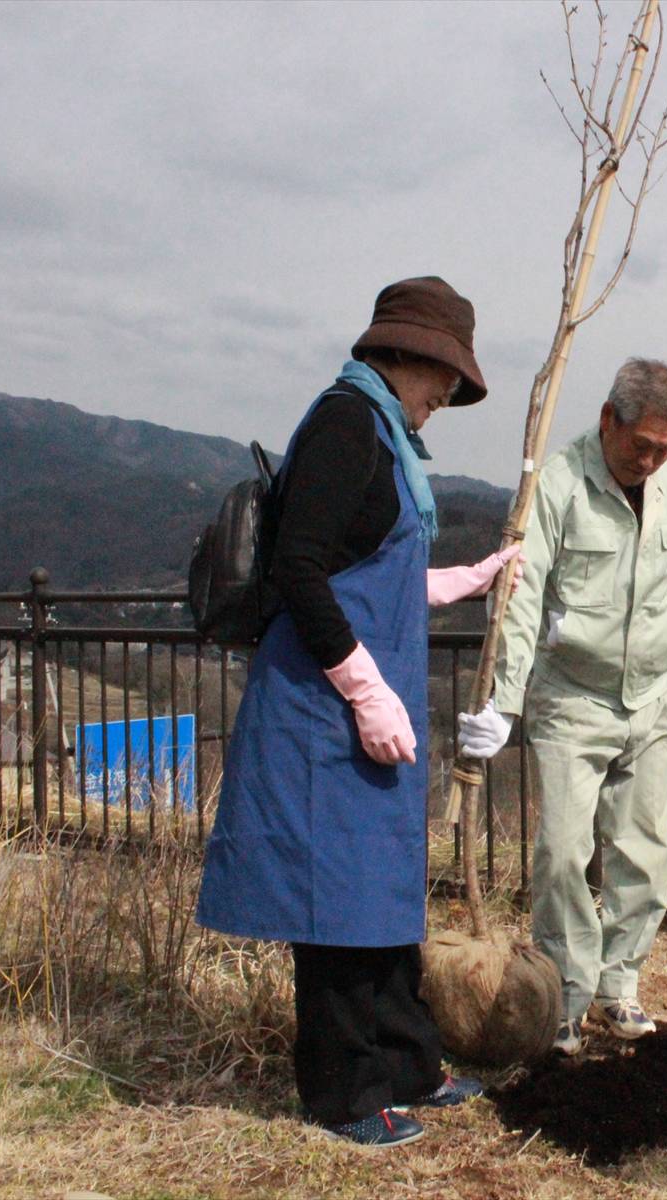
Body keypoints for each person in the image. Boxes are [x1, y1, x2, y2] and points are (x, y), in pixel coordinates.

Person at [196, 277, 518, 1148]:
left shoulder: (385, 436)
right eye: (442, 377)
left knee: (380, 896)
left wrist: (462, 579)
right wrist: (365, 688)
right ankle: (344, 1093)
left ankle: (410, 1061)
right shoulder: (347, 424)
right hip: (319, 711)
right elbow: (300, 570)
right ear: (405, 354)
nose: (446, 396)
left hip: (362, 717)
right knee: (332, 904)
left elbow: (363, 569)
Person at [455, 358, 667, 1055]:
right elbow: (519, 596)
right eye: (641, 444)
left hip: (649, 695)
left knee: (647, 851)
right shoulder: (558, 485)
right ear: (609, 419)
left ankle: (619, 984)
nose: (650, 460)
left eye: (665, 449)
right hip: (572, 694)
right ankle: (568, 996)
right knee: (562, 854)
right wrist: (503, 701)